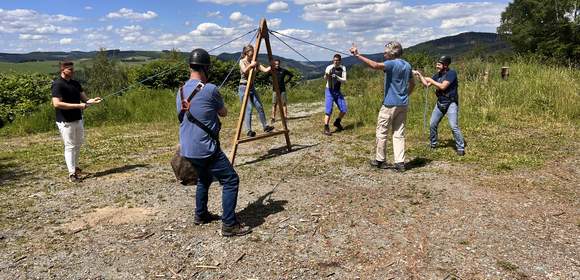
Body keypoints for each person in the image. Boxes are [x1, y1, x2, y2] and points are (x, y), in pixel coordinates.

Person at [177, 48, 251, 237]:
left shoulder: (180, 91)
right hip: (205, 148)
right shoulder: (210, 89)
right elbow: (223, 112)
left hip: (187, 149)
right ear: (206, 68)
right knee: (231, 180)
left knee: (204, 177)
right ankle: (229, 224)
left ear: (190, 67)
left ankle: (200, 215)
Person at [350, 41, 415, 172]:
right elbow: (413, 84)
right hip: (403, 104)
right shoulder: (407, 65)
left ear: (392, 52)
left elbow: (374, 65)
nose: (383, 53)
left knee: (382, 132)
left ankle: (380, 160)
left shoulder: (391, 63)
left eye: (385, 51)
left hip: (389, 104)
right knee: (399, 134)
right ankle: (400, 163)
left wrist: (357, 55)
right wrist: (405, 95)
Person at [51, 61, 101, 182]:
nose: (73, 72)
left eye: (73, 70)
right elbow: (56, 104)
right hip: (65, 121)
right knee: (70, 146)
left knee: (78, 144)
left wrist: (92, 100)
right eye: (70, 70)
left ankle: (75, 167)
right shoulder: (58, 84)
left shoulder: (75, 84)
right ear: (63, 70)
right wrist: (79, 106)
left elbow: (85, 99)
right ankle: (72, 174)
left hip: (78, 119)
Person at [413, 56, 465, 156]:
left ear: (445, 65)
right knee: (432, 124)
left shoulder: (451, 73)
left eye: (439, 64)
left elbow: (442, 86)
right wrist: (419, 75)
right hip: (440, 102)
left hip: (451, 103)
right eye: (437, 64)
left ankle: (460, 147)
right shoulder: (438, 75)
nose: (437, 66)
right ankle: (433, 144)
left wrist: (430, 80)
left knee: (453, 126)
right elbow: (426, 85)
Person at [239, 45, 274, 137]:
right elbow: (244, 71)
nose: (254, 52)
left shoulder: (255, 62)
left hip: (252, 87)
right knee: (248, 109)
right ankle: (249, 131)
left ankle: (265, 126)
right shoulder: (242, 61)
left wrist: (272, 65)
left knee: (259, 106)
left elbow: (265, 70)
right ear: (247, 52)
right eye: (252, 51)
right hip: (243, 87)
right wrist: (251, 65)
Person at [323, 54, 347, 136]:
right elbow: (325, 78)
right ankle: (326, 127)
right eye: (334, 60)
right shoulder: (329, 67)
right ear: (333, 60)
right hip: (329, 90)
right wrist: (327, 75)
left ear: (340, 61)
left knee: (344, 109)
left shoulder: (343, 68)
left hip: (337, 91)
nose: (335, 62)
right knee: (329, 110)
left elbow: (344, 80)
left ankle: (337, 122)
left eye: (337, 60)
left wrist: (336, 77)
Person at [270, 59, 294, 123]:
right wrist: (271, 82)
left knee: (284, 103)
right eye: (275, 64)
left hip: (282, 89)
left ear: (279, 64)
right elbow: (265, 77)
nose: (277, 65)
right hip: (275, 90)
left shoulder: (283, 70)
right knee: (274, 104)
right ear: (274, 64)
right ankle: (273, 118)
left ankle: (285, 117)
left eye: (278, 64)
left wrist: (286, 82)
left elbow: (291, 75)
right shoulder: (272, 71)